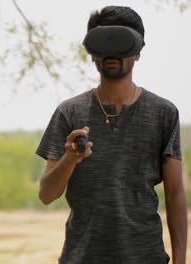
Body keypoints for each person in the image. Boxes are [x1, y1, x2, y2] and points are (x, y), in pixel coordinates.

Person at [36, 6, 187, 264]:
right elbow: (46, 194)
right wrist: (70, 159)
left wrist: (181, 261)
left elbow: (174, 194)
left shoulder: (163, 113)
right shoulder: (68, 113)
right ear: (92, 53)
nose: (112, 52)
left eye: (122, 42)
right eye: (104, 42)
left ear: (138, 52)